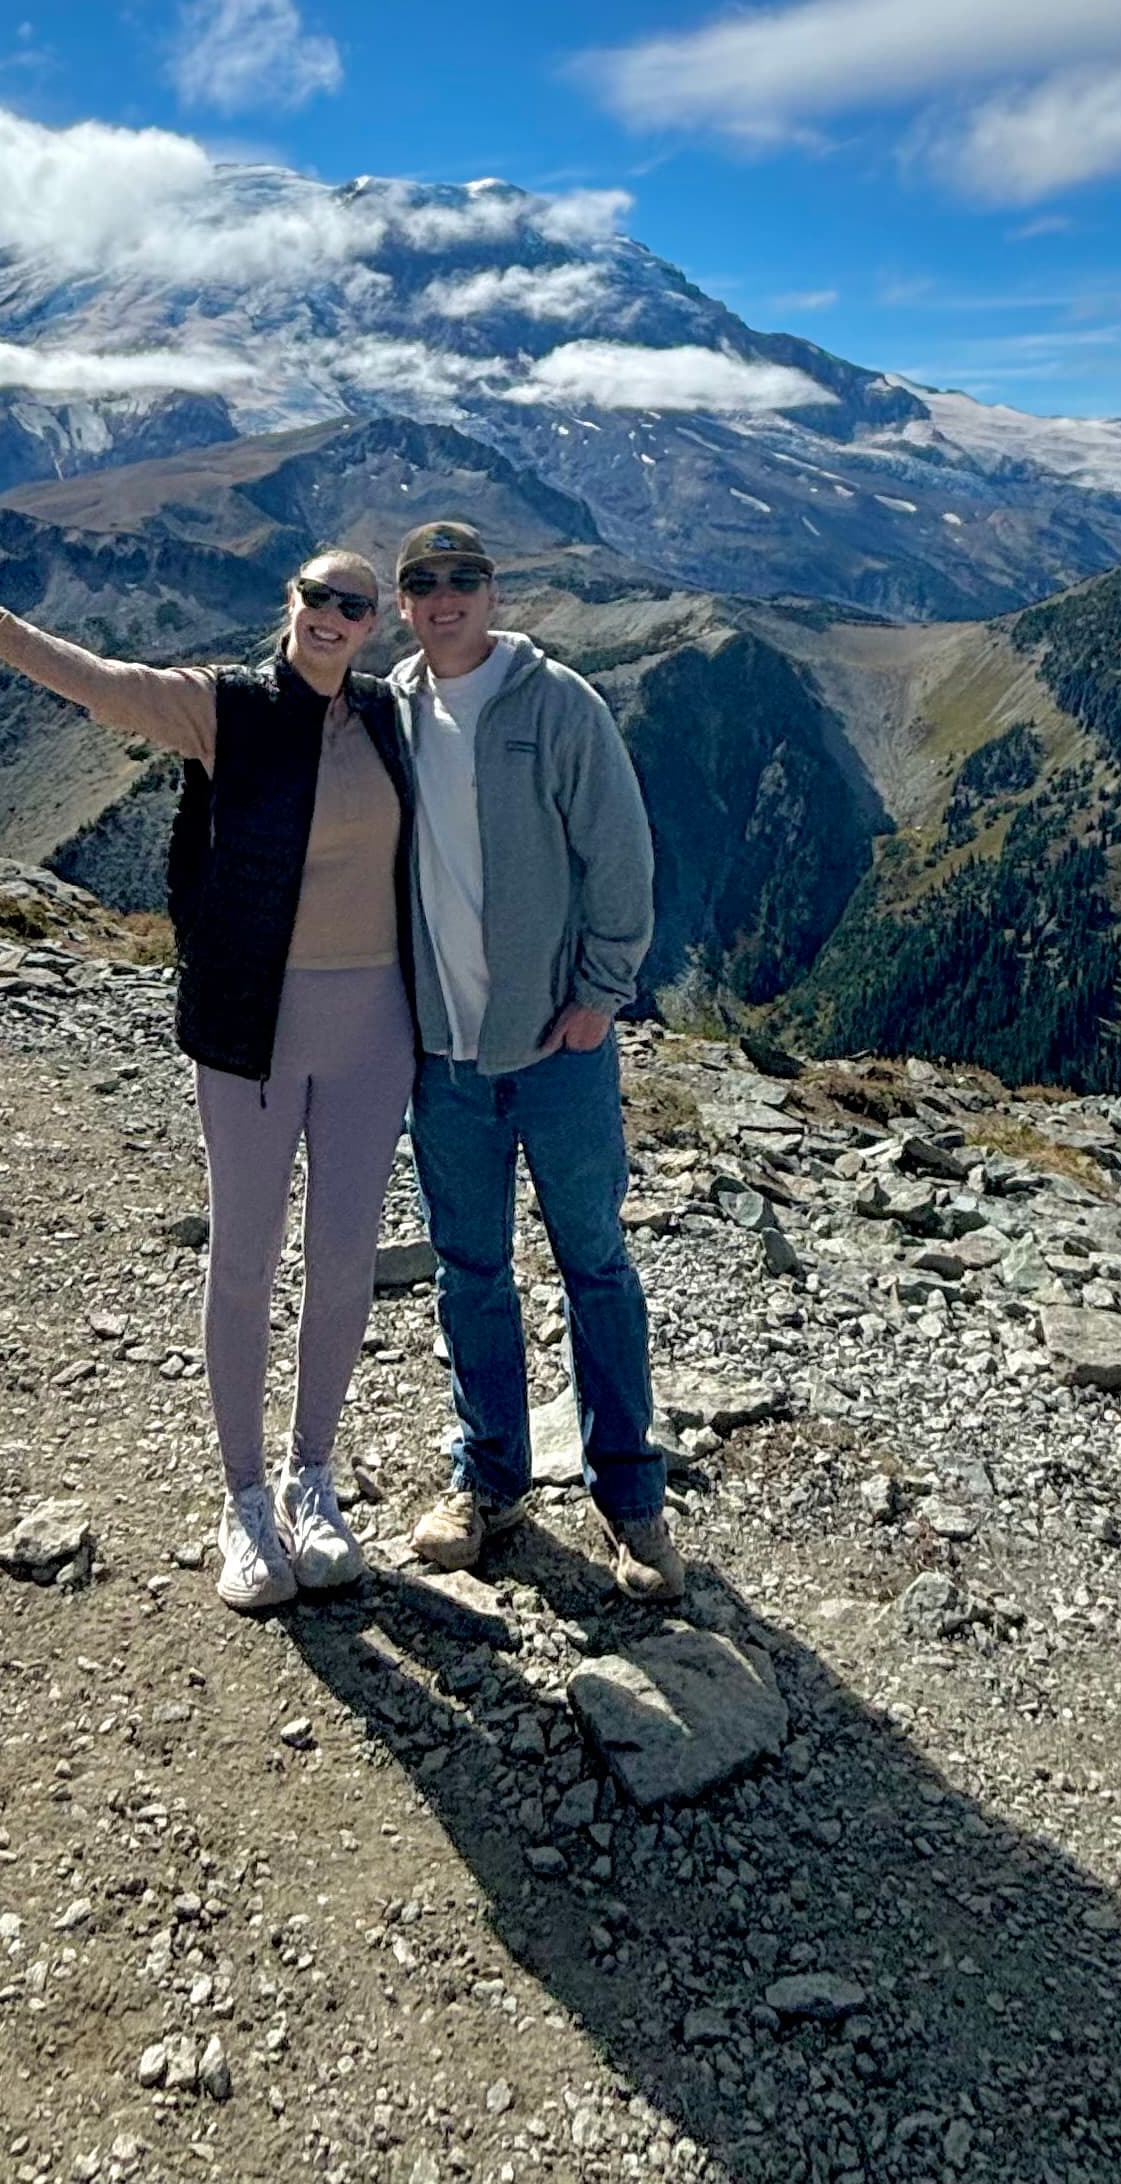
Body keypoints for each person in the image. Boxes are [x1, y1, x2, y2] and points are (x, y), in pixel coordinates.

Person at [0, 542, 415, 1617]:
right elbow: (102, 686)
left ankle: (316, 1478)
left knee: (345, 1257)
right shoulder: (221, 706)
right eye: (317, 596)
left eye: (353, 606)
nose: (331, 616)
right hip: (248, 1023)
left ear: (374, 626)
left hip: (378, 1030)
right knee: (246, 1256)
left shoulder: (388, 721)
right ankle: (246, 1499)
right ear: (293, 601)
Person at [386, 519, 685, 1604]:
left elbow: (621, 855)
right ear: (405, 601)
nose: (446, 597)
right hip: (446, 1057)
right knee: (471, 1273)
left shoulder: (559, 705)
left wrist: (600, 998)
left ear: (494, 590)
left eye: (465, 578)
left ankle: (630, 1499)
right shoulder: (392, 712)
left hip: (559, 1049)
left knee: (595, 1264)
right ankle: (491, 1483)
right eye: (425, 582)